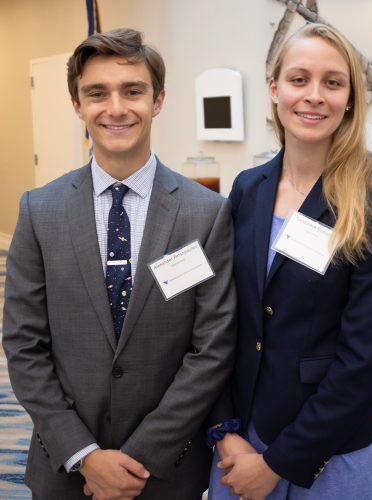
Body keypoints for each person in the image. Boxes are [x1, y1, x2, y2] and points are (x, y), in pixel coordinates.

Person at [2, 28, 236, 500]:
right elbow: (24, 346)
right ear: (77, 105)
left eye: (132, 91)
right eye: (97, 93)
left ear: (158, 100)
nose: (116, 108)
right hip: (66, 470)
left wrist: (142, 456)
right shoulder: (39, 211)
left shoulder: (206, 214)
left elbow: (213, 347)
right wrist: (84, 455)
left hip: (167, 471)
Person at [207, 23, 372, 500]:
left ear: (350, 99)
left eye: (332, 82)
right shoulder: (248, 188)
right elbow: (220, 319)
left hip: (325, 450)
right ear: (274, 89)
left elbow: (364, 362)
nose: (314, 96)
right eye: (299, 79)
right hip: (241, 440)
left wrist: (279, 463)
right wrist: (223, 428)